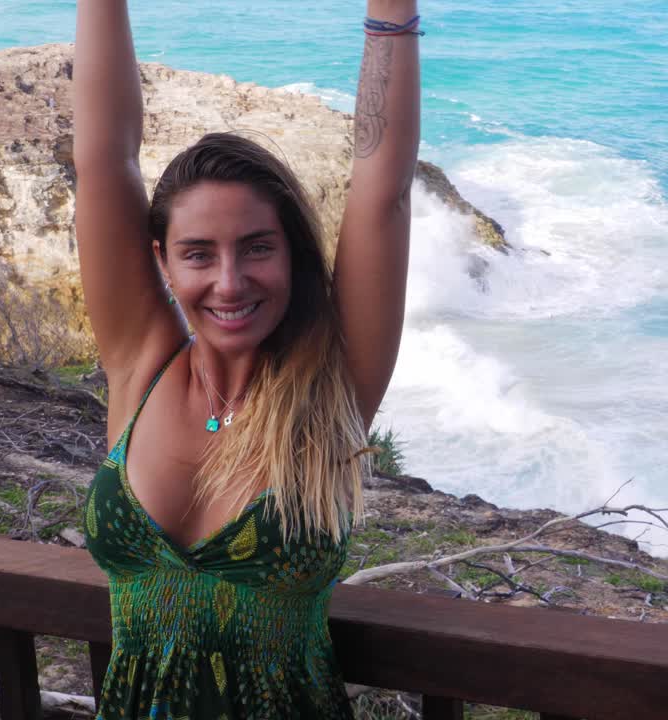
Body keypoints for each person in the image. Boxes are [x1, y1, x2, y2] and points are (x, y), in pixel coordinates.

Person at [73, 1, 420, 717]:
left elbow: (381, 192)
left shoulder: (333, 388)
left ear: (292, 254)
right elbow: (104, 158)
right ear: (161, 262)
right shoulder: (141, 366)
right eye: (200, 254)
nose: (229, 283)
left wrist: (391, 16)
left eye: (257, 247)